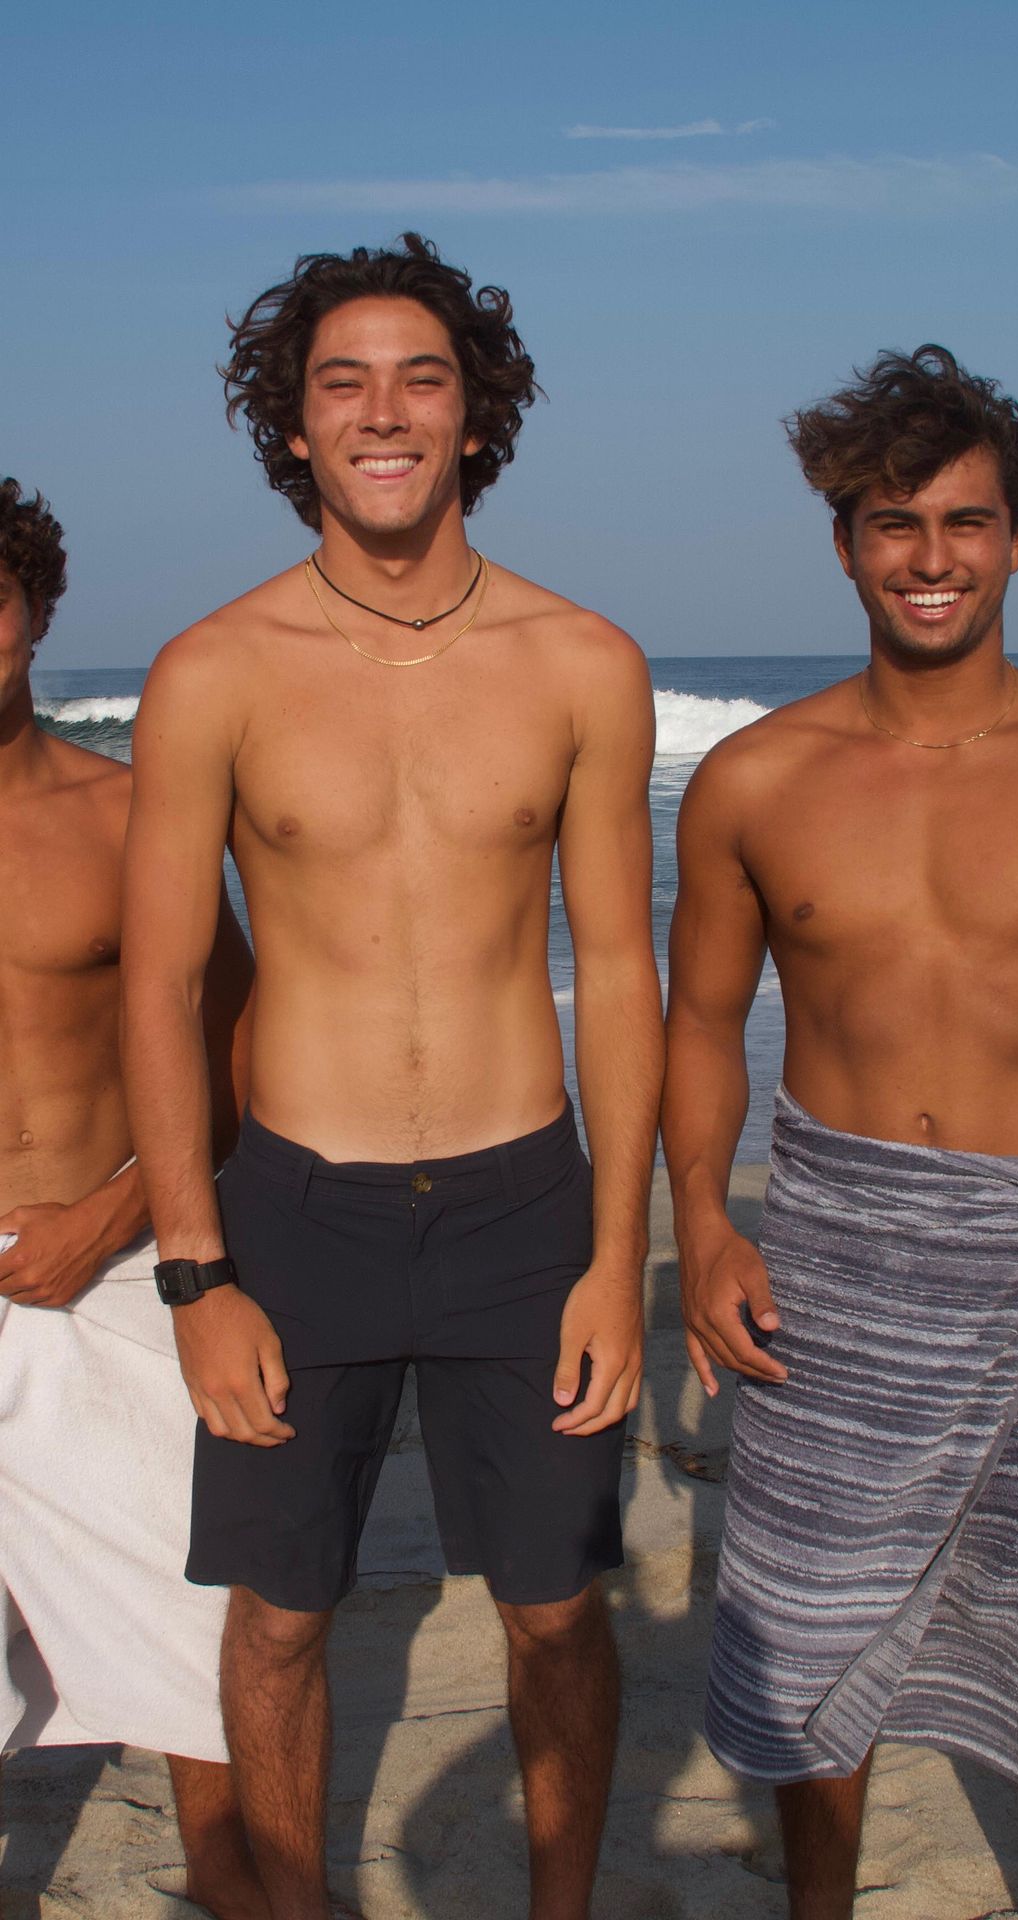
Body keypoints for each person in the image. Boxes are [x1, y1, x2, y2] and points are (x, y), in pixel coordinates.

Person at [122, 234, 662, 1920]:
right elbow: (159, 988)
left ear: (474, 417)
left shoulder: (584, 661)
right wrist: (196, 1272)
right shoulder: (212, 670)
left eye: (422, 378)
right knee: (281, 1617)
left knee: (557, 1611)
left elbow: (620, 973)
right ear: (292, 428)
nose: (382, 412)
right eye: (341, 382)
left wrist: (617, 1257)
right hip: (297, 1209)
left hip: (524, 1202)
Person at [663, 345, 1018, 1920]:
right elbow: (702, 1025)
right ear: (845, 545)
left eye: (965, 522)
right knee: (805, 1637)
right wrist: (706, 1229)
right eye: (894, 524)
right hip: (831, 1268)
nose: (930, 557)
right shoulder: (756, 780)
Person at [0, 479, 266, 1919]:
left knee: (189, 1587)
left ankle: (224, 1868)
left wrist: (110, 1218)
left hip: (106, 1260)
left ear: (37, 610)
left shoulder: (126, 818)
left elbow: (235, 1056)